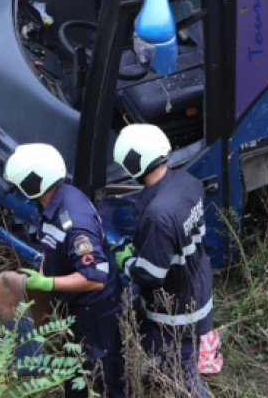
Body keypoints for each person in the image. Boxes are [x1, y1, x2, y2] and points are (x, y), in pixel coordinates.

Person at [3, 143, 124, 398]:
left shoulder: (75, 221)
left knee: (95, 376)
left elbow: (95, 279)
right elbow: (52, 244)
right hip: (76, 306)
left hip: (95, 308)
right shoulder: (51, 202)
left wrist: (49, 284)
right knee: (75, 369)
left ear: (34, 183)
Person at [113, 123, 213, 397]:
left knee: (185, 377)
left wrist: (126, 261)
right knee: (168, 350)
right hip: (196, 283)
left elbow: (151, 275)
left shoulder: (159, 214)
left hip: (178, 309)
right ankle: (162, 364)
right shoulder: (187, 181)